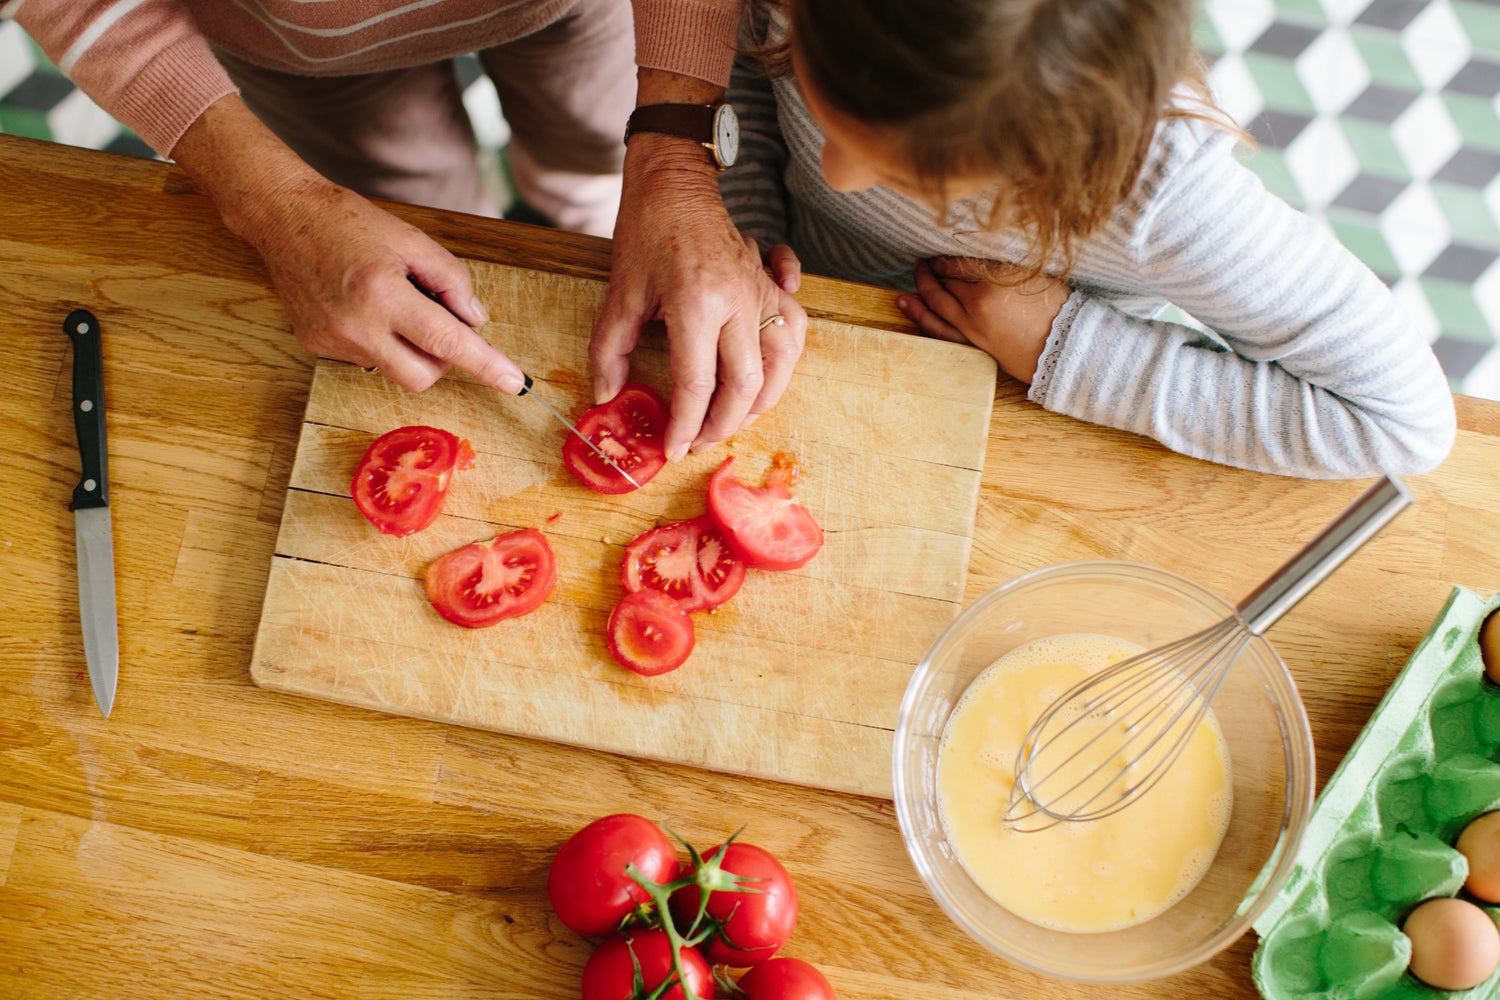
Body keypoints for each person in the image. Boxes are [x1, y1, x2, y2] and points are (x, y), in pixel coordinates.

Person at [9, 0, 801, 461]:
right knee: (408, 201)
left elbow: (650, 152)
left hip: (585, 9)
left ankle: (581, 227)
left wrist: (671, 156)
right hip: (296, 51)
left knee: (587, 165)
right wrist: (273, 201)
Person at [718, 0, 1457, 479]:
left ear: (1051, 159)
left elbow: (1403, 421)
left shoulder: (1162, 196)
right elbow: (745, 63)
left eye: (913, 175)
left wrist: (1066, 348)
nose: (835, 175)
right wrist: (742, 231)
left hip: (1028, 420)